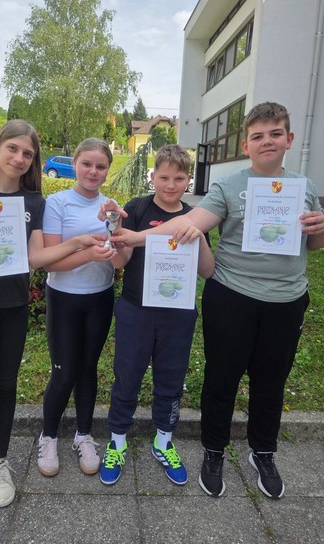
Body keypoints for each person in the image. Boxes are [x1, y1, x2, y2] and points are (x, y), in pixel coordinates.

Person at [110, 102, 324, 499]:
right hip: (232, 296)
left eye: (275, 134)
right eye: (258, 136)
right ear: (246, 145)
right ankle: (213, 451)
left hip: (286, 300)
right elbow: (187, 224)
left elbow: (315, 244)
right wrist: (137, 237)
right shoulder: (228, 187)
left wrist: (321, 229)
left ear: (289, 139)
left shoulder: (304, 187)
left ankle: (263, 452)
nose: (267, 141)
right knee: (221, 379)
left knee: (271, 381)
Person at [0, 120, 102, 510]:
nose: (19, 158)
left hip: (14, 306)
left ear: (33, 161)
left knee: (7, 385)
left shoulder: (33, 202)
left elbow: (35, 258)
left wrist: (78, 242)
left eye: (27, 154)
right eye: (13, 148)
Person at [98, 145, 214, 486]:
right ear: (153, 176)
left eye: (179, 178)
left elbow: (208, 271)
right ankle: (117, 440)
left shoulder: (196, 216)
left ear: (189, 179)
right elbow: (119, 261)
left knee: (171, 379)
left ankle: (164, 440)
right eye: (164, 177)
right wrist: (113, 228)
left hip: (178, 314)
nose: (170, 185)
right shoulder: (137, 208)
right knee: (127, 375)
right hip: (136, 309)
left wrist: (199, 237)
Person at [37, 137, 116, 478]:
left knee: (88, 368)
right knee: (64, 371)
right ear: (75, 165)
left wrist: (118, 237)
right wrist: (89, 253)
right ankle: (49, 436)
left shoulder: (111, 206)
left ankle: (84, 435)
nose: (93, 171)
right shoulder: (57, 203)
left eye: (100, 166)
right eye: (87, 164)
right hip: (64, 298)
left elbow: (119, 256)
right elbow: (50, 262)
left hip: (100, 296)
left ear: (107, 170)